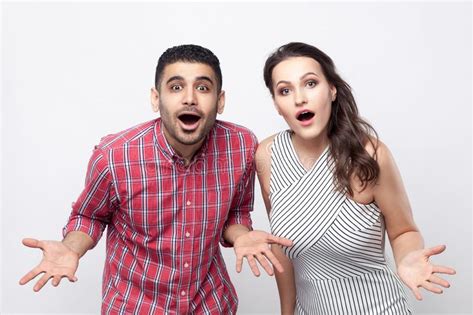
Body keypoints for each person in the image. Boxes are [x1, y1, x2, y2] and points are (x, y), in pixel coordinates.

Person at [19, 44, 292, 314]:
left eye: (202, 87)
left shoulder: (240, 146)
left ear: (220, 101)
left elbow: (236, 212)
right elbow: (90, 216)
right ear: (155, 98)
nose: (189, 99)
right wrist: (71, 249)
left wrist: (241, 235)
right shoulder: (115, 156)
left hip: (211, 305)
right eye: (175, 87)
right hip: (137, 307)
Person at [255, 42, 456, 314]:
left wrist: (407, 259)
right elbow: (282, 248)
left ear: (332, 90)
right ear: (277, 105)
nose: (299, 98)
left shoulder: (370, 154)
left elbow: (404, 230)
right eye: (285, 90)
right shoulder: (267, 156)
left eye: (310, 83)